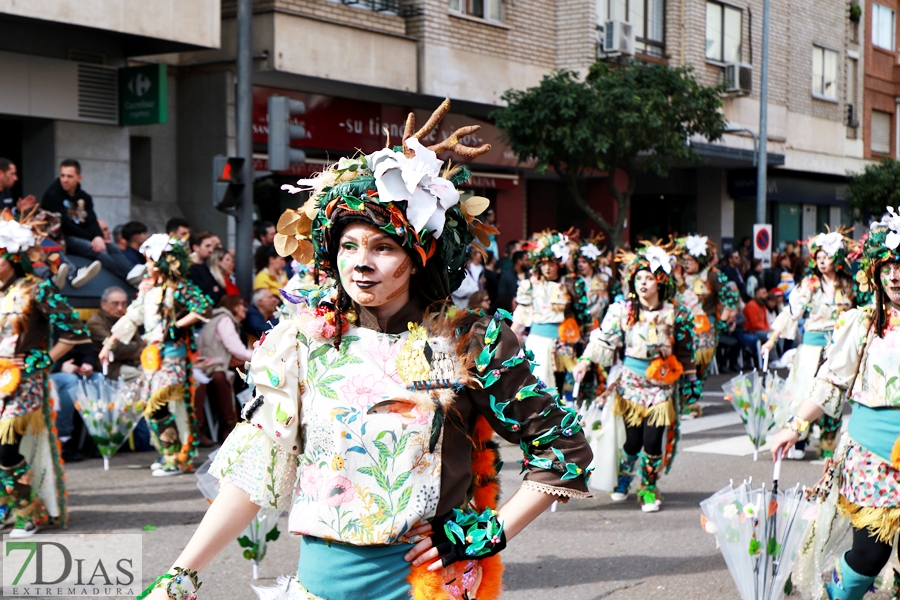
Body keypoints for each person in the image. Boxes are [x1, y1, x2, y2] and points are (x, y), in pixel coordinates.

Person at [140, 105, 592, 600]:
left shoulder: (469, 341)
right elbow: (255, 472)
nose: (361, 263)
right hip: (321, 582)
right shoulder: (304, 339)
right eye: (349, 246)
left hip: (425, 584)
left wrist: (487, 535)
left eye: (383, 247)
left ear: (418, 256)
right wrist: (180, 575)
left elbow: (562, 449)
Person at [770, 210, 900, 600]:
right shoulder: (860, 323)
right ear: (876, 273)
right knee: (868, 555)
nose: (896, 276)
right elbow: (831, 381)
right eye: (889, 266)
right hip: (872, 454)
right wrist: (794, 426)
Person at [573, 243, 698, 513]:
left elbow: (686, 351)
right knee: (632, 441)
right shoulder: (622, 310)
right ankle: (625, 478)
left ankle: (649, 487)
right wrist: (584, 362)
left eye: (649, 278)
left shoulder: (677, 313)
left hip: (662, 383)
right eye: (639, 278)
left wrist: (692, 384)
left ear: (660, 281)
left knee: (653, 440)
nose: (643, 283)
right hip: (630, 382)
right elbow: (603, 338)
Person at [0, 212, 88, 536]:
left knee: (7, 450)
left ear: (14, 255)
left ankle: (28, 513)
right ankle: (6, 507)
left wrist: (41, 360)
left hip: (23, 385)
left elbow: (74, 331)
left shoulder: (37, 289)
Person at [98, 235, 212, 477]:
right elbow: (131, 318)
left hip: (173, 357)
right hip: (152, 359)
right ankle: (170, 453)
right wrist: (109, 343)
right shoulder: (148, 290)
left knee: (157, 403)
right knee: (153, 409)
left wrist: (176, 327)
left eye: (150, 260)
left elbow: (203, 308)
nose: (147, 265)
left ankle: (177, 455)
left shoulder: (179, 287)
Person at [762, 229, 857, 460]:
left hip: (837, 348)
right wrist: (771, 340)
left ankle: (827, 443)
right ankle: (798, 439)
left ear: (837, 258)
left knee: (835, 394)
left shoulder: (848, 285)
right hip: (811, 349)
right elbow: (792, 312)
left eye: (827, 257)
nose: (822, 262)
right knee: (803, 394)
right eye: (819, 258)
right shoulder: (810, 284)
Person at [674, 235, 739, 415]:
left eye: (691, 260)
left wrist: (724, 321)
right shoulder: (678, 277)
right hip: (681, 327)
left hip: (705, 329)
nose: (686, 264)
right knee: (679, 363)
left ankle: (691, 401)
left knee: (696, 367)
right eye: (684, 260)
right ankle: (679, 399)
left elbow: (730, 298)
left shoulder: (712, 275)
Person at [40, 159, 134, 280]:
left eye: (70, 176)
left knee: (111, 247)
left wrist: (98, 236)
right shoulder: (52, 195)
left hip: (81, 235)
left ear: (79, 178)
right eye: (62, 175)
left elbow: (91, 220)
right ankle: (126, 276)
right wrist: (92, 238)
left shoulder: (85, 197)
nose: (65, 180)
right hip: (61, 238)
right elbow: (65, 226)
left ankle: (132, 272)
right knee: (96, 249)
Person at [510, 230, 578, 391]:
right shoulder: (531, 285)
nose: (547, 268)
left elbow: (578, 313)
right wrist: (510, 335)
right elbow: (522, 313)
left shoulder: (569, 285)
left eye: (552, 264)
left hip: (561, 342)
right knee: (535, 385)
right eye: (544, 264)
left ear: (559, 264)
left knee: (558, 387)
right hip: (537, 342)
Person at [194, 295, 253, 447]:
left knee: (217, 378)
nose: (244, 308)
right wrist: (260, 355)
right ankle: (229, 425)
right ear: (232, 306)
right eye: (240, 304)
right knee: (221, 378)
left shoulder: (214, 318)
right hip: (213, 364)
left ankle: (204, 428)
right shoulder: (225, 319)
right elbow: (235, 348)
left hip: (206, 364)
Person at [49, 337, 102, 463]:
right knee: (70, 381)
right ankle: (63, 439)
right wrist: (59, 366)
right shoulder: (40, 324)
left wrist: (87, 364)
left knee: (98, 379)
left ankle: (98, 436)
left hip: (76, 370)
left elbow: (87, 349)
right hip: (50, 371)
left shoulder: (72, 324)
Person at [86, 287, 145, 382]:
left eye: (123, 304)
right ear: (103, 304)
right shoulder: (95, 322)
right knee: (142, 378)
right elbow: (115, 348)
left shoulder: (126, 319)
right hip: (111, 367)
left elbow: (142, 345)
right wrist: (136, 347)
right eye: (115, 304)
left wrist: (135, 348)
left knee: (154, 372)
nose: (120, 308)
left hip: (134, 362)